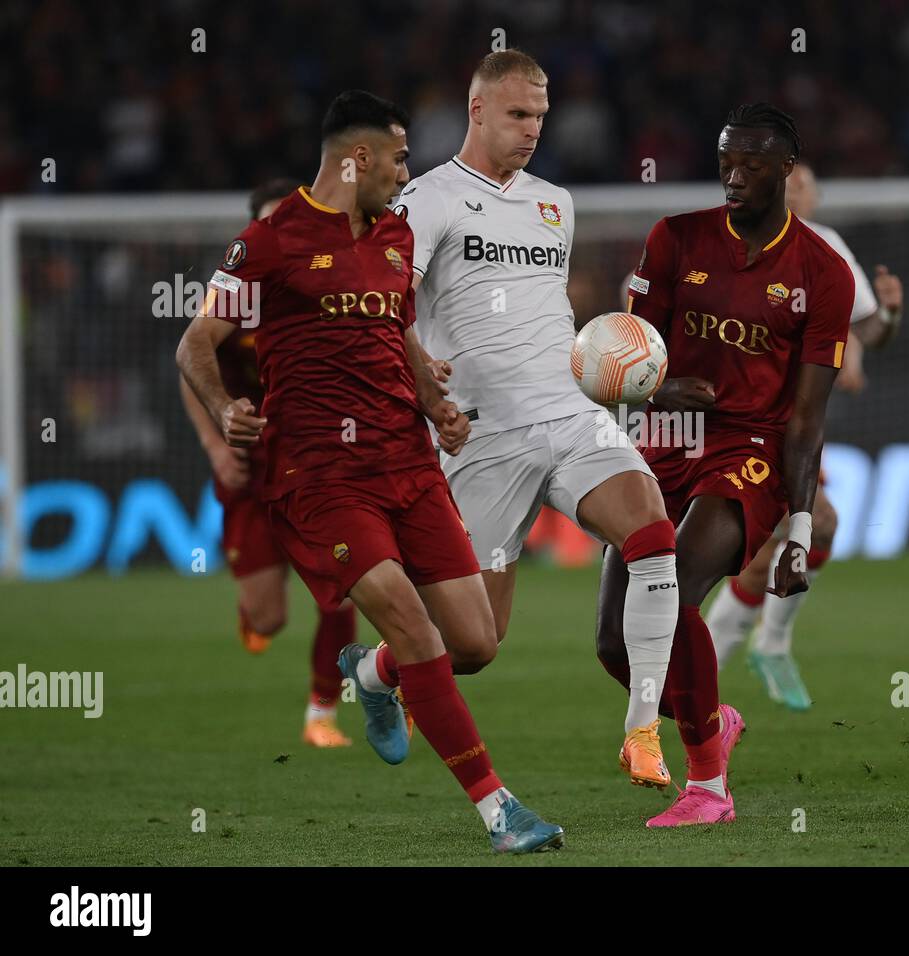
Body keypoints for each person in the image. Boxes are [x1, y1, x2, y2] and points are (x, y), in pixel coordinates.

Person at [176, 89, 563, 852]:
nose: (405, 170)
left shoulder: (394, 236)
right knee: (414, 623)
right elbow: (194, 342)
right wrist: (225, 408)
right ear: (358, 159)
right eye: (398, 156)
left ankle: (374, 675)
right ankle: (499, 810)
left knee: (477, 643)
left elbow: (399, 336)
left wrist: (436, 406)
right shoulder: (272, 240)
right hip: (321, 478)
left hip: (408, 465)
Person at [397, 50, 678, 791]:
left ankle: (642, 730)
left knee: (652, 534)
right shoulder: (426, 200)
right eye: (519, 115)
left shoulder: (556, 202)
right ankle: (375, 668)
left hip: (570, 411)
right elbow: (387, 311)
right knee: (476, 646)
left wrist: (608, 360)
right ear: (478, 110)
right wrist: (429, 394)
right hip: (481, 433)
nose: (532, 130)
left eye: (541, 118)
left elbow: (540, 313)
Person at [597, 103, 854, 826]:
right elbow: (631, 348)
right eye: (725, 161)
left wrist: (798, 530)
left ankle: (708, 787)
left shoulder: (822, 273)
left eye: (750, 163)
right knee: (617, 647)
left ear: (785, 170)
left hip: (748, 453)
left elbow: (807, 417)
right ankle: (715, 720)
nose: (733, 175)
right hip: (662, 440)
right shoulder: (675, 239)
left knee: (667, 592)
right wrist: (661, 383)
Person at [704, 162, 903, 710]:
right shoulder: (726, 244)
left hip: (795, 426)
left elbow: (869, 333)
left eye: (804, 180)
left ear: (814, 196)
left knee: (782, 543)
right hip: (736, 420)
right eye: (783, 178)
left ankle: (703, 683)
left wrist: (888, 313)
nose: (794, 185)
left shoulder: (828, 247)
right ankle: (760, 648)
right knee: (808, 529)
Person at [180, 178, 358, 748]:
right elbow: (189, 362)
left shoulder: (324, 286)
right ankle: (254, 611)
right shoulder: (233, 293)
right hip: (248, 467)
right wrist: (214, 446)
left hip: (313, 464)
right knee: (270, 619)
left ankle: (321, 715)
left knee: (342, 590)